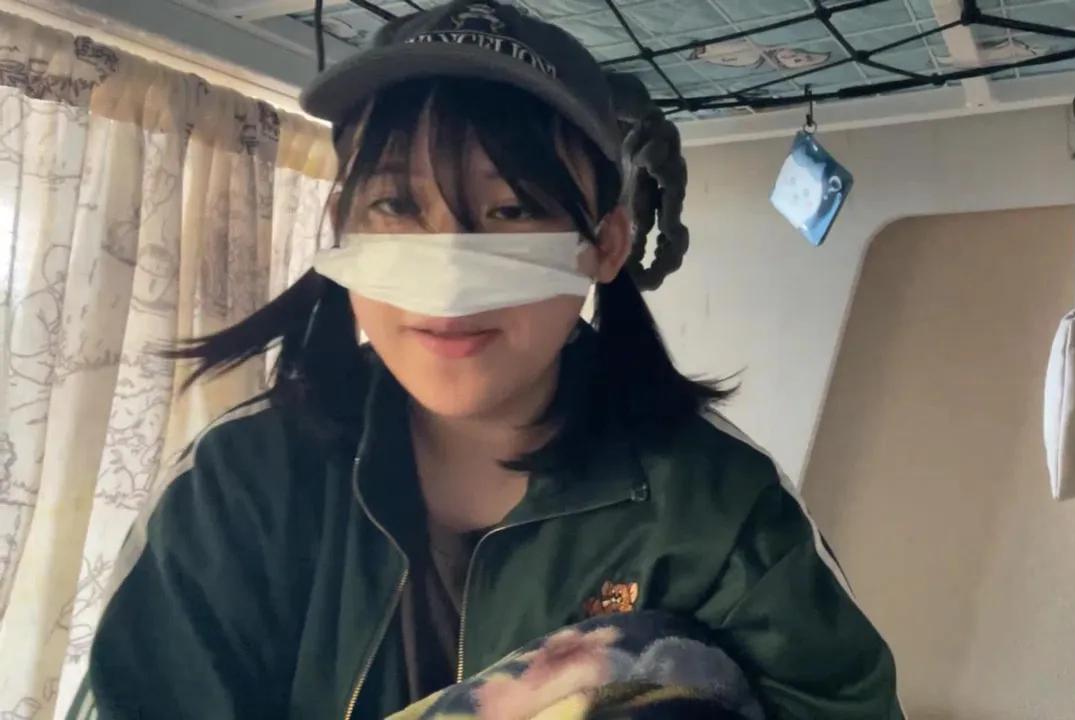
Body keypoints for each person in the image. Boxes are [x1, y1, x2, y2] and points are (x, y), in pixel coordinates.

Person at [68, 1, 902, 718]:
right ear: (340, 228)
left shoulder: (721, 513)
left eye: (510, 210)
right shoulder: (238, 487)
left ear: (606, 244)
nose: (450, 274)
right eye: (396, 204)